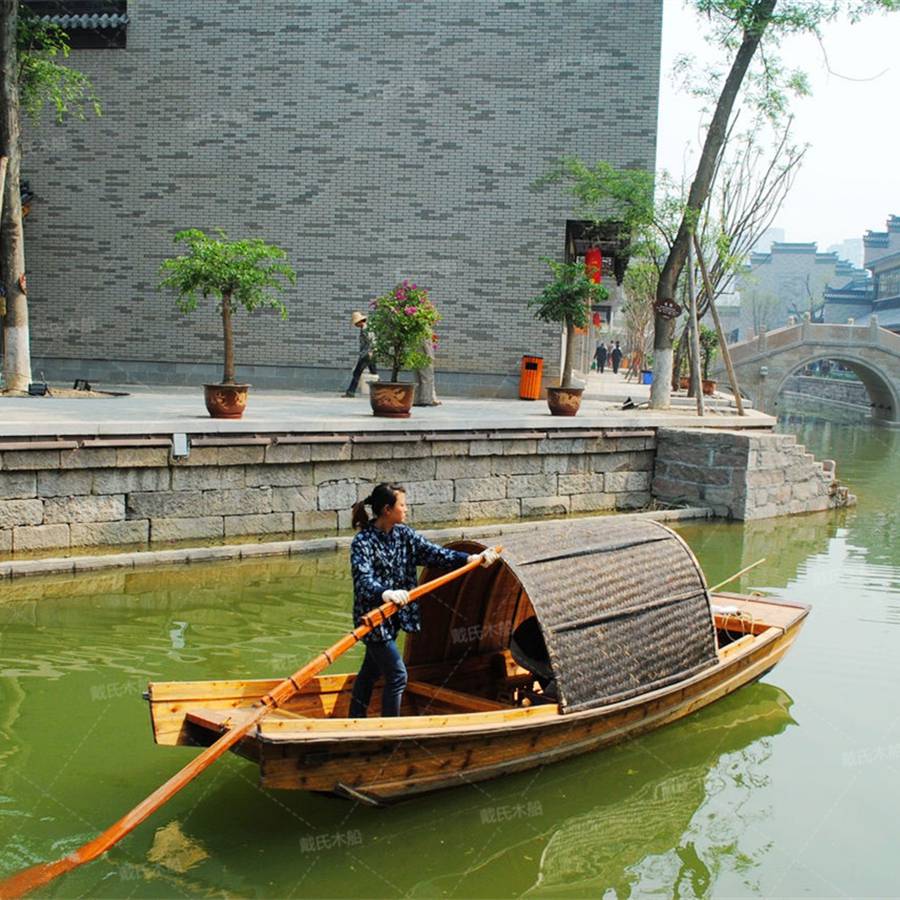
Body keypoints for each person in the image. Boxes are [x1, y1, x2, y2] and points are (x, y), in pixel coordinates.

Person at [348, 483, 499, 717]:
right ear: (387, 509)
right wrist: (385, 593)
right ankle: (390, 733)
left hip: (395, 616)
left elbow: (436, 554)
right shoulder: (363, 542)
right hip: (374, 620)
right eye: (402, 505)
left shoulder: (404, 535)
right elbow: (363, 580)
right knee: (398, 676)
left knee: (371, 671)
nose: (406, 509)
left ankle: (355, 718)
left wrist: (471, 558)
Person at [343, 311, 377, 397]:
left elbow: (372, 342)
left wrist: (370, 352)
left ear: (360, 321)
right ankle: (378, 390)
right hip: (368, 354)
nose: (355, 325)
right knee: (374, 373)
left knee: (357, 373)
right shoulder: (365, 328)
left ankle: (350, 392)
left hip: (367, 354)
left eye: (356, 323)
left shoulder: (366, 329)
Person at [414, 334, 441, 406]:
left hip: (416, 357)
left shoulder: (416, 331)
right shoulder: (425, 332)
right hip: (425, 358)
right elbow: (426, 346)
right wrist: (431, 357)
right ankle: (426, 400)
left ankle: (416, 399)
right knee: (427, 379)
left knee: (418, 379)